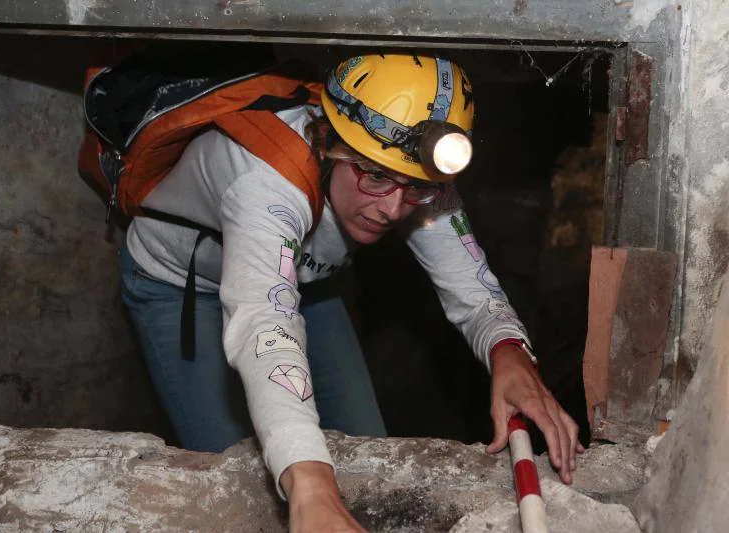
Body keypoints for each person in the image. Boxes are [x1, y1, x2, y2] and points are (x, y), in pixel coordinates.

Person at [119, 53, 583, 531]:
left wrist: (509, 353)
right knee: (239, 487)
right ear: (328, 142)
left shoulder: (409, 176)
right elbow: (264, 321)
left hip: (302, 284)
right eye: (374, 176)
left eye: (415, 188)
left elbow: (469, 282)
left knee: (368, 450)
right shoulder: (265, 179)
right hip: (181, 289)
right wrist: (311, 486)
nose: (393, 209)